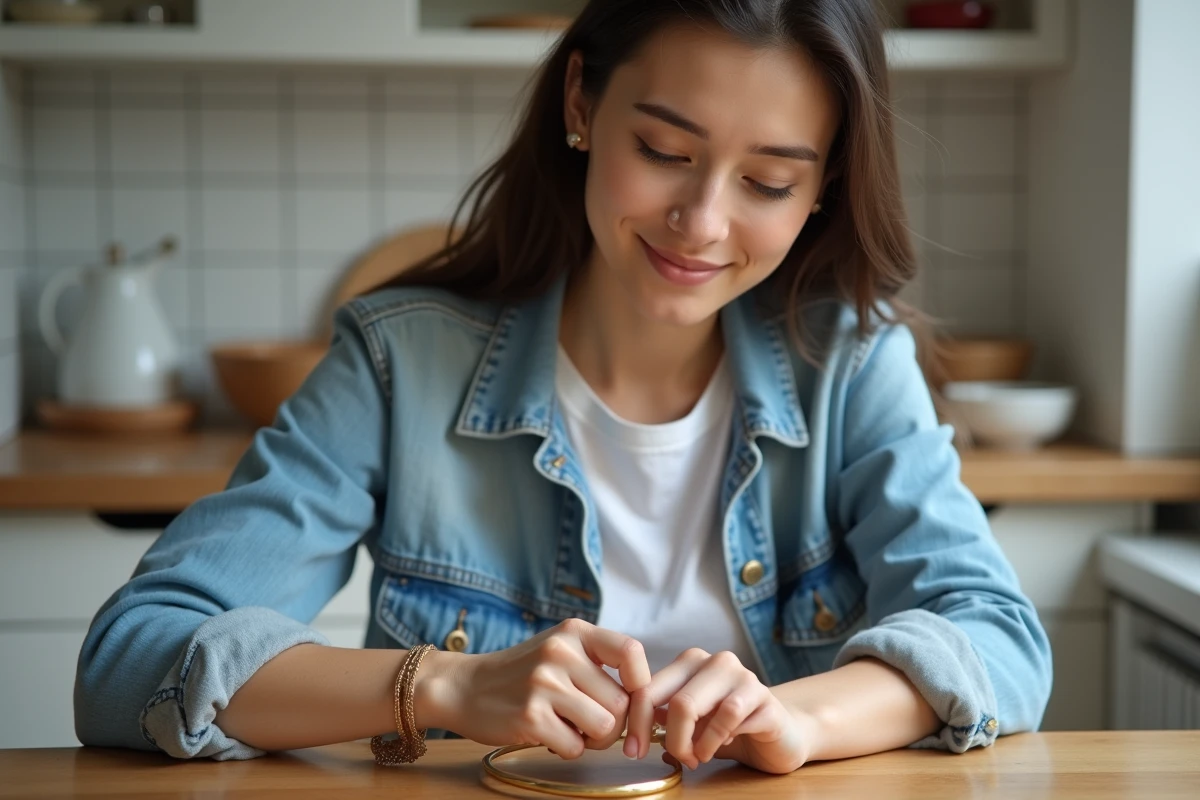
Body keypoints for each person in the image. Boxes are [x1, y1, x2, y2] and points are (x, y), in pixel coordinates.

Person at [74, 0, 1051, 775]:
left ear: (824, 185)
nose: (702, 222)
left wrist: (797, 717)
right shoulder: (397, 362)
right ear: (581, 103)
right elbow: (129, 659)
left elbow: (1000, 639)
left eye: (768, 182)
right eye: (664, 152)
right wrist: (445, 685)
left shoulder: (853, 364)